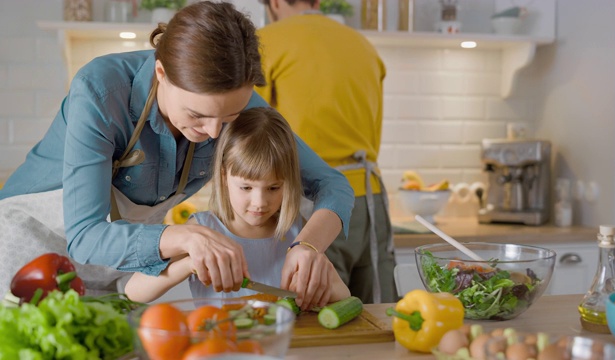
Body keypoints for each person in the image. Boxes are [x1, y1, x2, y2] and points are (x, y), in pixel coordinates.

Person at [0, 1, 354, 310]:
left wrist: (308, 246)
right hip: (30, 252)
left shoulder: (239, 104)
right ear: (161, 74)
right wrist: (185, 237)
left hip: (119, 271)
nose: (215, 133)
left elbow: (333, 185)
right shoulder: (101, 90)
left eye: (229, 118)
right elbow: (86, 236)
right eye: (197, 116)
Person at [124, 107, 350, 303]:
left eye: (273, 188)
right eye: (246, 188)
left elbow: (345, 296)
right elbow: (134, 291)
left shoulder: (297, 231)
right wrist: (188, 265)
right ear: (223, 177)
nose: (260, 203)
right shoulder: (203, 230)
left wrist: (323, 272)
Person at [256, 0, 396, 303]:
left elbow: (250, 132)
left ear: (275, 3)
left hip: (313, 206)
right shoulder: (362, 44)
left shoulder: (266, 42)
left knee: (317, 317)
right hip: (370, 202)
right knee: (381, 321)